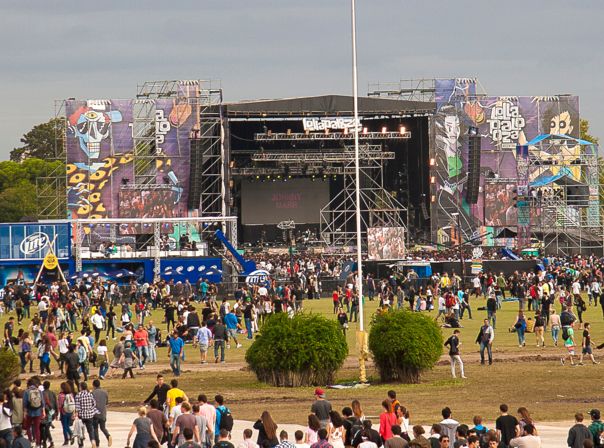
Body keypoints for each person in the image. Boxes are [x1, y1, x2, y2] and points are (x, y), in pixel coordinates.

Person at [74, 382, 98, 448]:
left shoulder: (78, 395)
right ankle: (93, 441)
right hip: (89, 415)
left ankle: (81, 444)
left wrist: (76, 413)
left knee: (80, 430)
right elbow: (94, 403)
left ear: (80, 387)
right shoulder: (90, 394)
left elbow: (77, 407)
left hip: (81, 416)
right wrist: (90, 409)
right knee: (90, 430)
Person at [23, 377, 45, 448]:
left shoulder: (26, 391)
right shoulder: (39, 391)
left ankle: (30, 441)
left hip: (29, 412)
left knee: (28, 427)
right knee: (37, 428)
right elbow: (42, 402)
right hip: (38, 411)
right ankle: (38, 444)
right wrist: (43, 411)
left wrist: (25, 412)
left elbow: (25, 403)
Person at [91, 380, 111, 448]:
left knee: (95, 429)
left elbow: (91, 404)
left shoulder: (92, 393)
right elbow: (106, 403)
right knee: (103, 428)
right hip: (103, 413)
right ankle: (108, 436)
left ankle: (97, 444)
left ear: (93, 385)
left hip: (95, 414)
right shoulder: (105, 392)